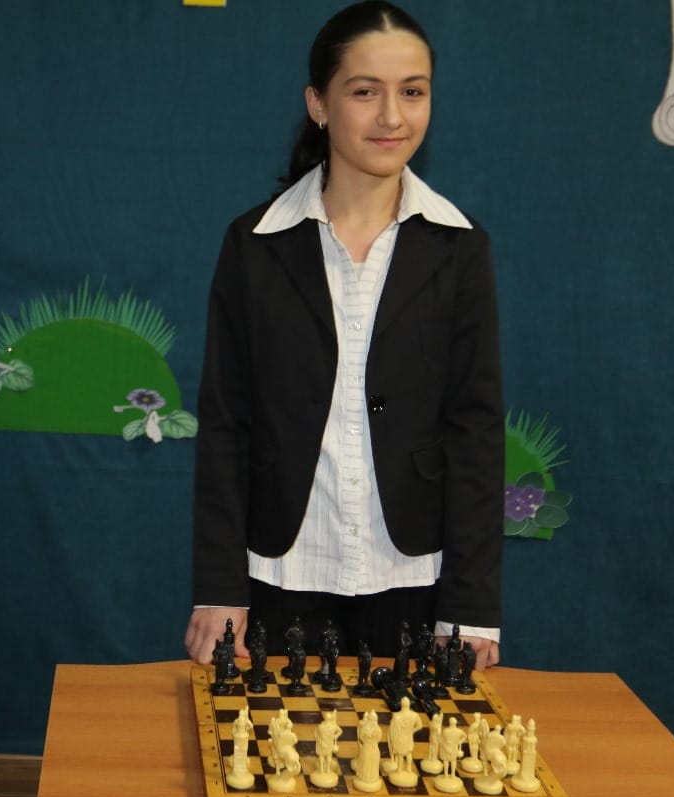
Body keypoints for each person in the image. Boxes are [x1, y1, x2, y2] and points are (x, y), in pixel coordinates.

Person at [184, 0, 502, 672]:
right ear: (319, 105)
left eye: (412, 92)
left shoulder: (460, 246)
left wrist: (470, 606)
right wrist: (219, 586)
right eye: (364, 92)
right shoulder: (254, 244)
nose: (392, 116)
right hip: (277, 575)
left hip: (415, 580)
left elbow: (474, 431)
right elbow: (225, 424)